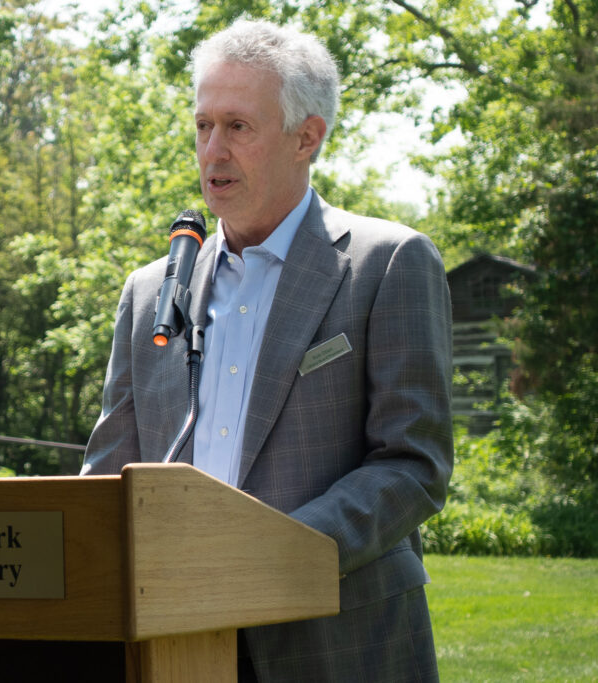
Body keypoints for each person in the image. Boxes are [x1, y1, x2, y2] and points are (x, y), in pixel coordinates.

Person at [80, 18, 453, 682]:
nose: (212, 152)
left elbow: (412, 462)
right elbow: (111, 472)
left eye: (238, 127)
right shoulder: (149, 291)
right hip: (175, 641)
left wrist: (272, 556)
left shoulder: (387, 263)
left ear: (307, 137)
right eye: (202, 127)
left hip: (338, 643)